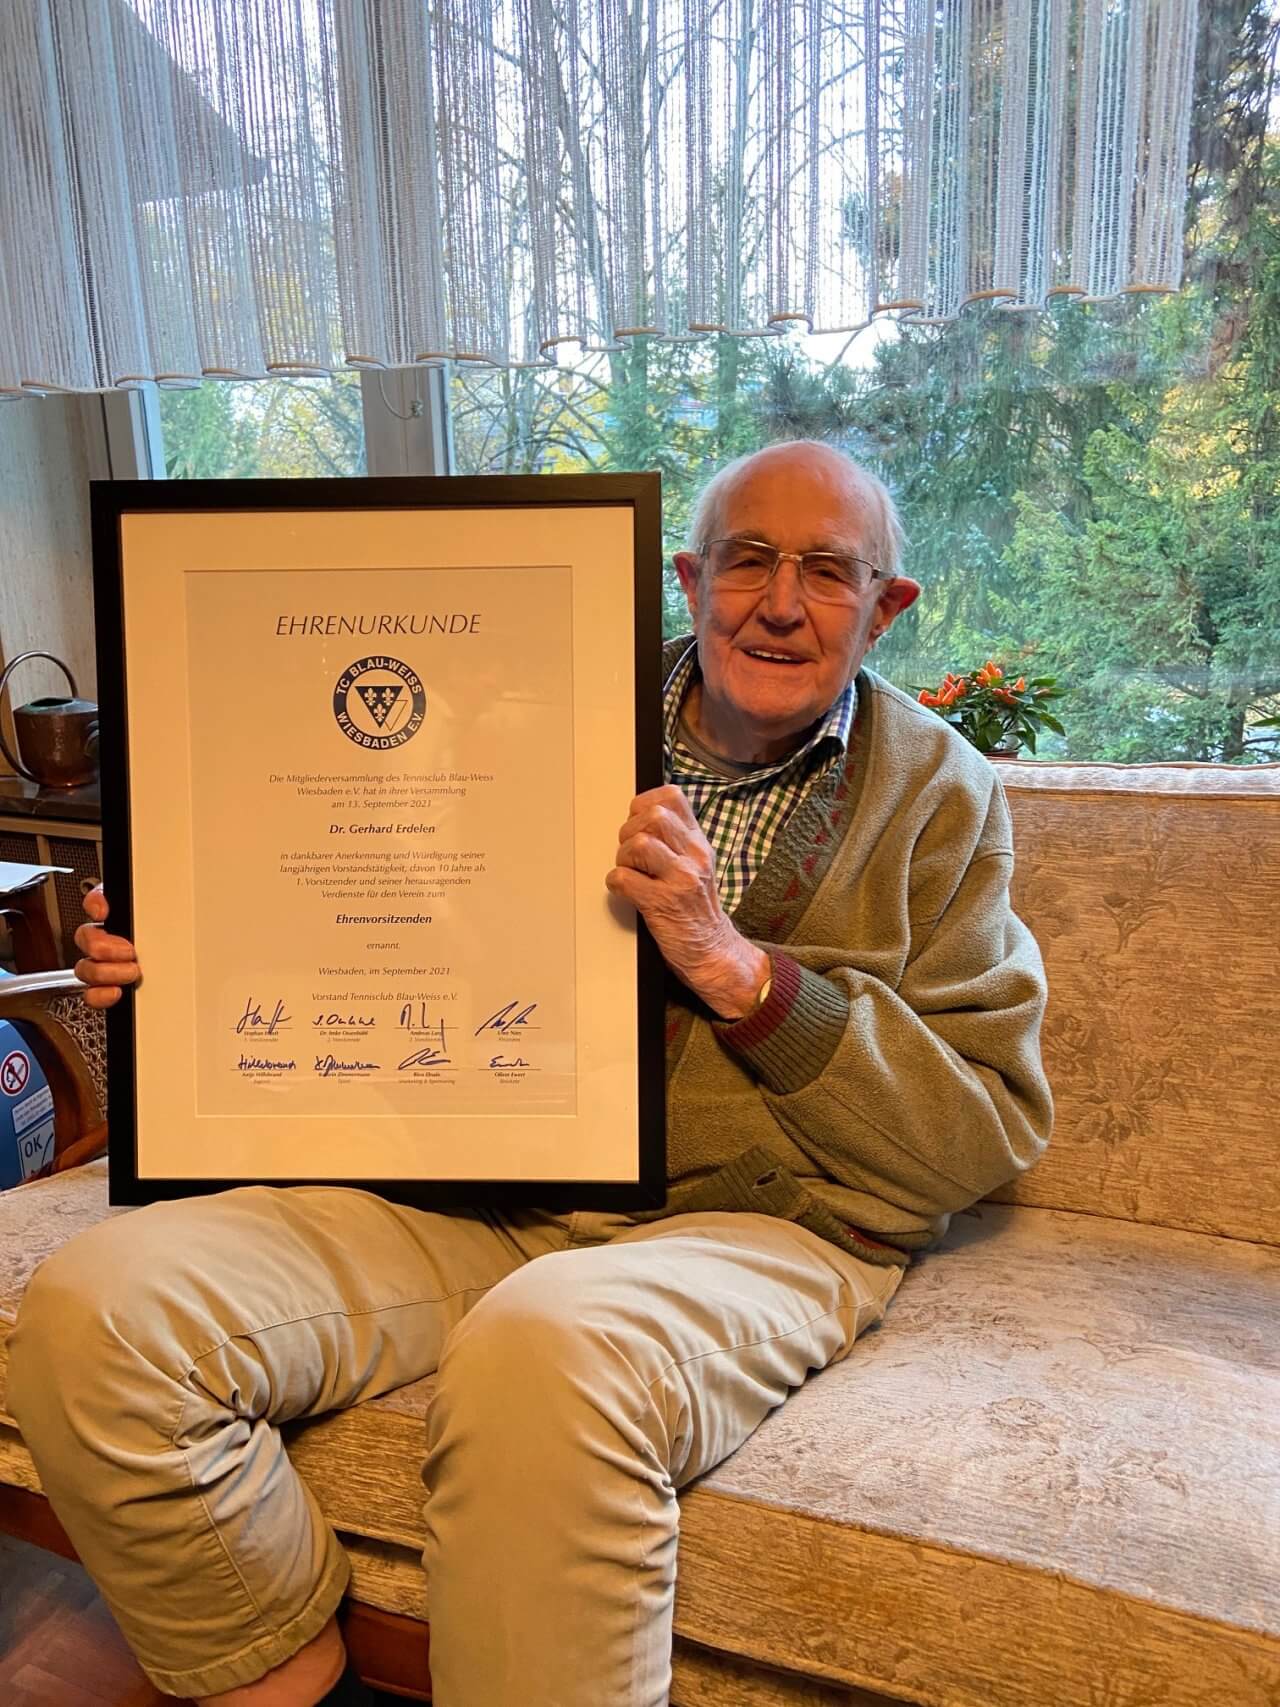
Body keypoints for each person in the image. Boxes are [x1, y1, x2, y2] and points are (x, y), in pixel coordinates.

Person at [7, 440, 1052, 1707]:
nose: (780, 603)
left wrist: (738, 973)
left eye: (829, 571)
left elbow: (977, 1131)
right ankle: (290, 1684)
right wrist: (187, 965)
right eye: (747, 560)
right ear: (688, 579)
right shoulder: (525, 708)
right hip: (472, 1191)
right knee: (98, 1312)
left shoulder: (938, 791)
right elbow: (368, 923)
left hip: (758, 1224)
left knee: (546, 1350)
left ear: (885, 607)